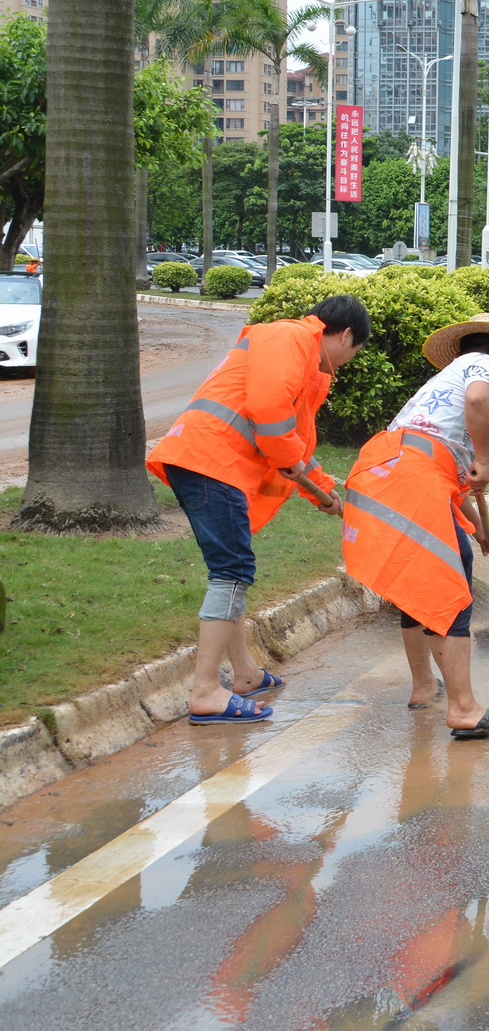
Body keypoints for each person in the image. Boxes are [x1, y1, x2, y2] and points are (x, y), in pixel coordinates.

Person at [147, 295, 370, 724]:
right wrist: (300, 471)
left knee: (232, 568)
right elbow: (270, 415)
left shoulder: (303, 358)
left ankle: (245, 673)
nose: (347, 362)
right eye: (353, 351)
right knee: (231, 571)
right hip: (211, 462)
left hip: (210, 463)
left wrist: (324, 492)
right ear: (344, 335)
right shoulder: (291, 339)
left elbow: (296, 444)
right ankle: (206, 691)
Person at [341, 312, 489, 740]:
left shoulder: (442, 383)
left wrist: (480, 530)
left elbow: (447, 485)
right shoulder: (487, 365)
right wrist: (484, 461)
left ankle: (422, 687)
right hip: (411, 475)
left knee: (418, 579)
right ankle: (464, 708)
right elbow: (477, 403)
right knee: (451, 587)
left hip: (382, 470)